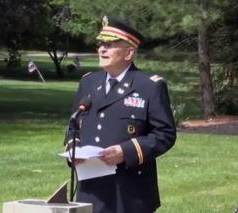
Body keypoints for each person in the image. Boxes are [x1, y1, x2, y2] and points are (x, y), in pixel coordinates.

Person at [64, 15, 176, 213]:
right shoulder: (88, 82)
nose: (101, 49)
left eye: (110, 45)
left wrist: (125, 152)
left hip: (129, 191)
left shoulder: (149, 86)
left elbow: (165, 134)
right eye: (100, 44)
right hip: (90, 189)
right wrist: (73, 152)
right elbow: (74, 125)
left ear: (129, 52)